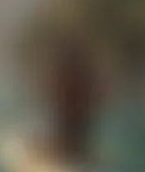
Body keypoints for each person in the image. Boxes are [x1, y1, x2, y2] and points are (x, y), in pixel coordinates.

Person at [40, 35, 103, 164]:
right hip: (76, 111)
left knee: (73, 135)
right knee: (75, 135)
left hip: (74, 111)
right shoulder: (81, 70)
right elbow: (96, 91)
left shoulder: (68, 70)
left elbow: (54, 88)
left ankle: (70, 154)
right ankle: (73, 154)